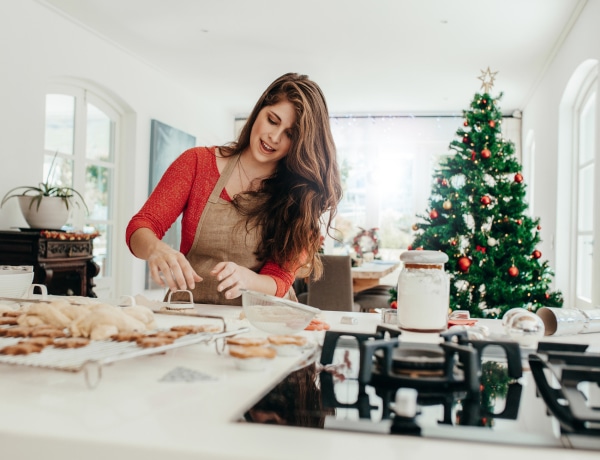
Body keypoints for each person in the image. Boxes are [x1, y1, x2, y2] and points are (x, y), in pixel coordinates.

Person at [126, 73, 342, 305]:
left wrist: (248, 279)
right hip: (190, 311)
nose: (274, 137)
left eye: (290, 134)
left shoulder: (300, 195)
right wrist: (156, 250)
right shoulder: (197, 163)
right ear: (259, 110)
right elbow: (142, 225)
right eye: (272, 120)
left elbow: (280, 280)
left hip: (261, 321)